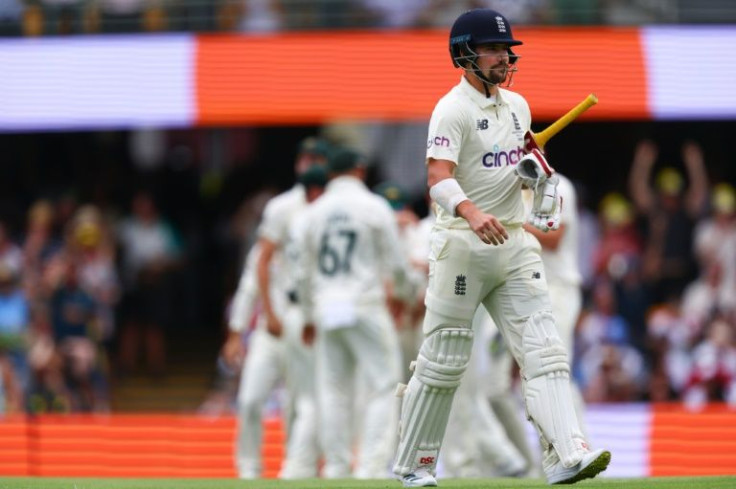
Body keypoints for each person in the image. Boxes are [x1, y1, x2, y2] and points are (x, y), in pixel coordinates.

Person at [392, 9, 610, 487]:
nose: (503, 57)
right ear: (465, 54)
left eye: (505, 50)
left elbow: (524, 162)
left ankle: (564, 455)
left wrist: (535, 173)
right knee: (445, 358)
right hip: (463, 245)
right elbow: (436, 178)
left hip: (514, 243)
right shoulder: (452, 109)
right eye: (493, 49)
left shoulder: (517, 106)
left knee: (545, 349)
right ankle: (416, 464)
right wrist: (471, 212)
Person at [298, 148, 411, 479]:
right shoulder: (373, 206)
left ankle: (336, 466)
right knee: (383, 384)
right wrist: (402, 294)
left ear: (331, 174)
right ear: (360, 171)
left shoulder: (314, 213)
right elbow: (396, 262)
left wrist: (307, 316)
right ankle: (372, 467)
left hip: (327, 305)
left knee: (333, 387)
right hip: (363, 302)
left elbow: (302, 272)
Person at [224, 139, 329, 479]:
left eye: (317, 159)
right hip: (272, 327)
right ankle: (249, 470)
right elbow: (257, 269)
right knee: (251, 399)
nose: (310, 164)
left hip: (308, 324)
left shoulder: (332, 210)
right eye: (306, 158)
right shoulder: (281, 208)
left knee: (301, 404)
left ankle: (296, 469)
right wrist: (240, 329)